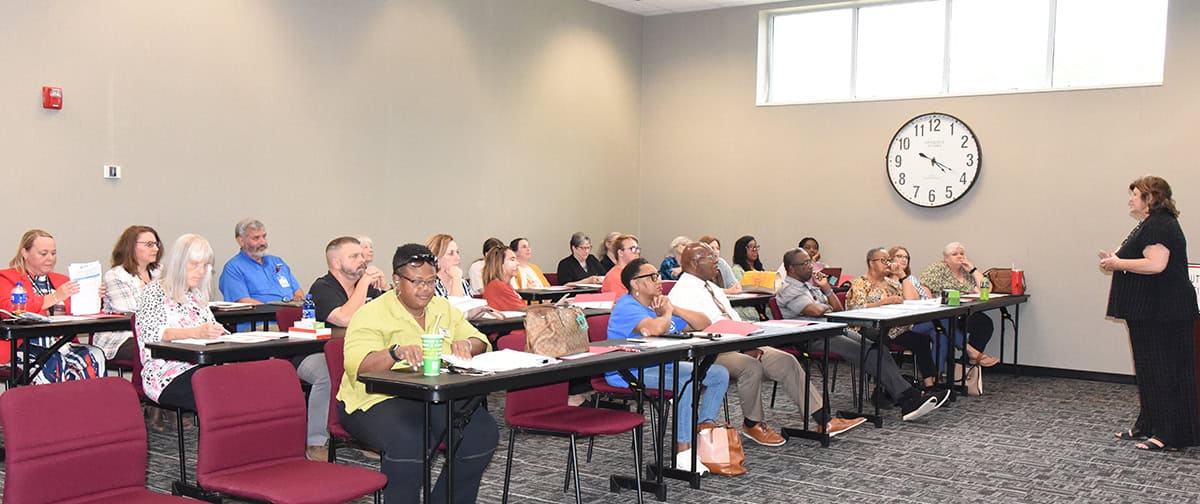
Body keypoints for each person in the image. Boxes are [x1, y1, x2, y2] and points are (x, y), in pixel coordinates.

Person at [338, 244, 497, 502]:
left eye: (431, 281)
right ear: (397, 281)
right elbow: (358, 366)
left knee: (481, 433)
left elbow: (480, 340)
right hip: (374, 400)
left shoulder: (441, 307)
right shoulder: (371, 313)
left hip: (433, 394)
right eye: (417, 282)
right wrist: (394, 353)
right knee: (411, 437)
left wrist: (467, 344)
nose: (425, 289)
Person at [668, 242, 865, 442]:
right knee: (750, 366)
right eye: (710, 258)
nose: (716, 261)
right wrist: (744, 346)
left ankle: (824, 420)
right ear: (693, 263)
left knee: (786, 361)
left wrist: (748, 342)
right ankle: (753, 424)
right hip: (710, 352)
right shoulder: (682, 291)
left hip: (738, 342)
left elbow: (733, 319)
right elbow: (696, 331)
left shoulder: (711, 286)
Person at [776, 248, 947, 421]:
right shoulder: (788, 289)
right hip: (811, 337)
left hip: (831, 330)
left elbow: (838, 310)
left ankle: (907, 398)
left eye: (810, 262)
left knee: (878, 349)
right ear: (791, 268)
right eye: (805, 264)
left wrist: (827, 289)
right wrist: (825, 308)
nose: (811, 267)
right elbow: (815, 310)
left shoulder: (810, 286)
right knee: (867, 352)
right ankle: (908, 398)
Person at [1100, 175, 1200, 451]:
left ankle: (1169, 434)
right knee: (1149, 371)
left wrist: (1119, 263)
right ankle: (1149, 425)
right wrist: (1117, 261)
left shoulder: (1159, 224)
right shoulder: (1151, 224)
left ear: (1150, 199)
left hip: (1163, 314)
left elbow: (1156, 265)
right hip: (1151, 312)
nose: (1131, 199)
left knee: (1164, 371)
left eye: (1135, 194)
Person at [217, 218, 330, 461]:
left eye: (264, 237)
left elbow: (299, 293)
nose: (262, 242)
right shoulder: (233, 268)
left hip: (290, 327)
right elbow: (242, 302)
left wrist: (292, 302)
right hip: (256, 328)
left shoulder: (276, 262)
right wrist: (279, 306)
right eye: (256, 238)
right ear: (240, 240)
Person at [606, 258, 730, 473]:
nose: (658, 280)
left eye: (658, 275)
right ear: (635, 284)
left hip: (659, 364)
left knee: (718, 374)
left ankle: (702, 431)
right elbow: (653, 329)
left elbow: (704, 323)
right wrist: (666, 314)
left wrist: (674, 308)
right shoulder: (626, 306)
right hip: (628, 371)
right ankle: (682, 452)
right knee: (688, 381)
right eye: (652, 277)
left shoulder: (658, 304)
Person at [0, 229, 105, 381]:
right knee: (53, 361)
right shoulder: (6, 278)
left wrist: (95, 297)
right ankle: (53, 405)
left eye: (53, 253)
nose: (50, 258)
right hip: (23, 346)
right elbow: (9, 310)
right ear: (25, 253)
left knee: (94, 355)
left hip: (61, 343)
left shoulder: (62, 280)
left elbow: (79, 311)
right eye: (43, 253)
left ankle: (88, 404)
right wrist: (55, 297)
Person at [134, 234, 222, 410]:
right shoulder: (155, 292)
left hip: (202, 366)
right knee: (222, 389)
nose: (201, 271)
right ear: (179, 263)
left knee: (241, 381)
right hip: (167, 373)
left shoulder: (196, 295)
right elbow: (153, 336)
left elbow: (210, 329)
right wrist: (196, 332)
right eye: (195, 264)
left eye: (205, 266)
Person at [846, 248, 937, 389]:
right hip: (866, 328)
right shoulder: (860, 283)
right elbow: (856, 309)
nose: (888, 264)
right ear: (871, 263)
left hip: (893, 328)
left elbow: (913, 301)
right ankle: (884, 389)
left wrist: (902, 275)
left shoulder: (892, 283)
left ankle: (930, 385)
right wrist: (883, 302)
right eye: (883, 260)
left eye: (889, 260)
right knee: (882, 341)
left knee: (921, 341)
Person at [890, 245, 971, 373]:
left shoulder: (911, 279)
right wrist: (901, 276)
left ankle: (934, 377)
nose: (903, 260)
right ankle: (969, 349)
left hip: (919, 318)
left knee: (940, 334)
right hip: (902, 325)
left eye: (906, 257)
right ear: (890, 260)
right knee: (944, 320)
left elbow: (923, 299)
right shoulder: (886, 281)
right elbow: (911, 301)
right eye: (899, 256)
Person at [918, 242, 999, 367]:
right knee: (948, 324)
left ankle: (966, 363)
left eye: (962, 254)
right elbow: (923, 287)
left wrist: (972, 269)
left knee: (984, 323)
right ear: (946, 258)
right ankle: (972, 355)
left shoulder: (966, 271)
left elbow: (986, 289)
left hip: (964, 311)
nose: (960, 257)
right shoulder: (937, 269)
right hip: (944, 313)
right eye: (955, 254)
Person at [95, 225, 163, 363]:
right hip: (121, 337)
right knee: (162, 351)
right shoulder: (116, 275)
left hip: (157, 332)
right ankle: (145, 384)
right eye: (149, 244)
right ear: (131, 247)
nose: (155, 249)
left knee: (182, 348)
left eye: (156, 244)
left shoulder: (160, 272)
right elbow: (133, 312)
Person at [309, 236, 385, 328]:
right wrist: (364, 282)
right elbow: (346, 319)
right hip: (338, 341)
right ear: (336, 263)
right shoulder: (321, 288)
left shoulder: (368, 286)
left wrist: (385, 286)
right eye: (354, 256)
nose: (362, 260)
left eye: (361, 255)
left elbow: (392, 314)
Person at [481, 246, 525, 312]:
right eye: (512, 260)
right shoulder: (497, 285)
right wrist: (545, 307)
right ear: (500, 263)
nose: (517, 263)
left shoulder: (505, 284)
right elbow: (522, 309)